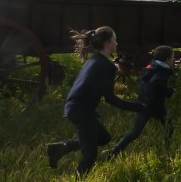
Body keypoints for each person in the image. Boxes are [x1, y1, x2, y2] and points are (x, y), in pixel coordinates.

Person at [46, 27, 146, 177]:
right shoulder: (106, 66)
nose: (117, 43)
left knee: (104, 138)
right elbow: (110, 99)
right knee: (90, 156)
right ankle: (75, 176)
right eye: (115, 40)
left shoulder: (94, 60)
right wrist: (139, 106)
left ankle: (61, 148)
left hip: (78, 108)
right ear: (107, 43)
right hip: (81, 111)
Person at [104, 45, 176, 159]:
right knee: (169, 127)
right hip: (155, 106)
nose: (173, 60)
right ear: (167, 59)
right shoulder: (163, 71)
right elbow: (156, 83)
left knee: (135, 132)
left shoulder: (151, 66)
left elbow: (147, 82)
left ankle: (114, 151)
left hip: (142, 104)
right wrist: (169, 92)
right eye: (172, 58)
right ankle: (168, 152)